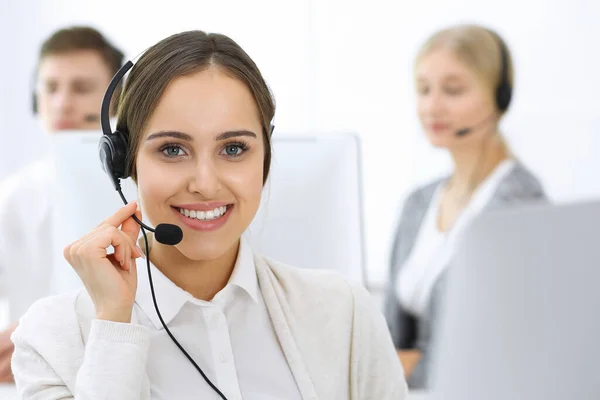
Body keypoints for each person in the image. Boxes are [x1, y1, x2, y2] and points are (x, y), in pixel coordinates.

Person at [10, 30, 408, 399]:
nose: (205, 183)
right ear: (125, 162)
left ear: (265, 158)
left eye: (233, 148)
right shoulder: (51, 337)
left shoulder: (344, 312)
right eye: (172, 149)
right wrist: (114, 326)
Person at [383, 24, 548, 389]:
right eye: (424, 89)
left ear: (499, 97)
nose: (432, 106)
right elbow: (390, 339)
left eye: (453, 90)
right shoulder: (418, 203)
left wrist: (403, 367)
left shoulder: (522, 207)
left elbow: (510, 349)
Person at [0, 26, 124, 383]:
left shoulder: (149, 185)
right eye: (50, 88)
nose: (62, 103)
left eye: (82, 88)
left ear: (117, 100)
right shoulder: (16, 196)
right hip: (43, 377)